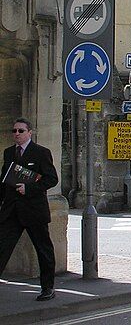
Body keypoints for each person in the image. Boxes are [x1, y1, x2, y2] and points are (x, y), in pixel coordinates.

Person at [0, 117, 59, 301]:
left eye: (20, 131)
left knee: (43, 250)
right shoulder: (9, 152)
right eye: (14, 131)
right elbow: (4, 179)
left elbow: (51, 179)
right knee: (2, 247)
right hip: (12, 210)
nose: (16, 134)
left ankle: (48, 288)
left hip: (34, 210)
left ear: (29, 133)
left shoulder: (41, 152)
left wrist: (29, 188)